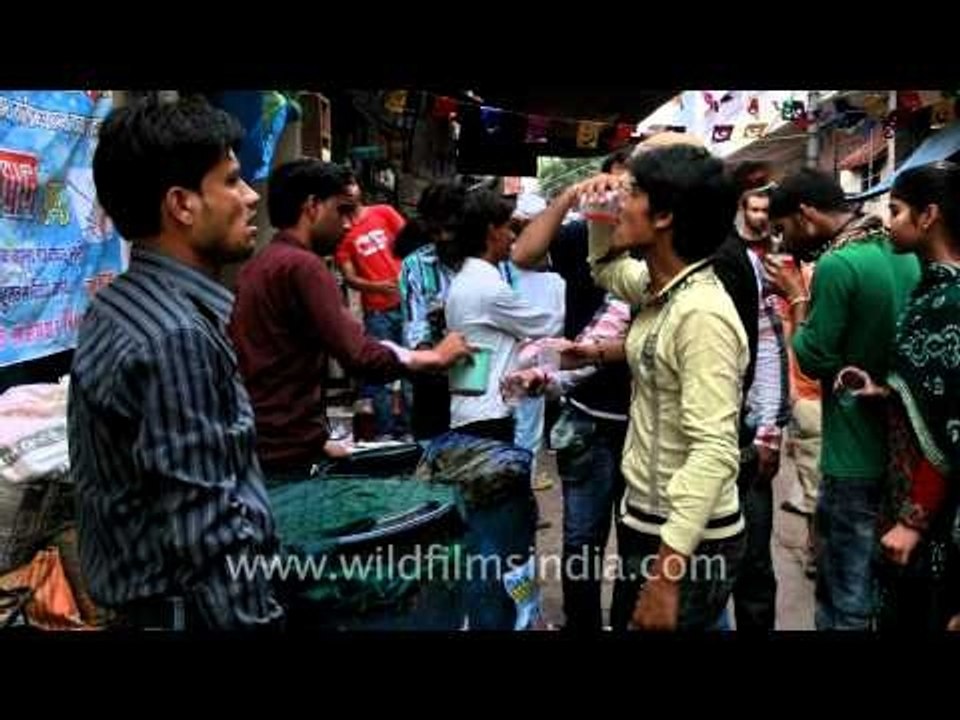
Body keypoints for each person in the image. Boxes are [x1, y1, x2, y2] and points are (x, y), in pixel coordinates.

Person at [69, 96, 283, 630]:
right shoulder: (175, 337)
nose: (251, 196)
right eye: (232, 181)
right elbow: (209, 533)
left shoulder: (118, 304)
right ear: (182, 205)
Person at [584, 142, 749, 631]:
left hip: (688, 539)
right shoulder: (664, 287)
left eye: (629, 191)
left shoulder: (701, 313)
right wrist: (598, 213)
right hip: (651, 520)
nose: (619, 198)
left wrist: (667, 575)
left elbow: (716, 451)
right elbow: (605, 270)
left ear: (664, 216)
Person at [229, 159, 471, 483]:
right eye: (341, 211)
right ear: (312, 207)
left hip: (266, 445)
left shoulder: (262, 264)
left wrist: (318, 440)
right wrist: (431, 356)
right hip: (284, 456)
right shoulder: (303, 266)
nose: (346, 225)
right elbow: (358, 354)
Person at [763, 168, 920, 630]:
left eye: (784, 228)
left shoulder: (837, 264)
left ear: (806, 215)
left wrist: (795, 297)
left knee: (844, 597)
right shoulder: (903, 253)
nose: (783, 240)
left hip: (852, 453)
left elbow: (812, 357)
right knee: (884, 590)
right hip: (902, 454)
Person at [831, 162, 960, 631]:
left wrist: (914, 520)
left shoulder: (951, 301)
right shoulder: (928, 290)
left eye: (897, 209)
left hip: (934, 517)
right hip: (906, 494)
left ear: (928, 216)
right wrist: (885, 392)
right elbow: (931, 392)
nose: (888, 221)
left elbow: (951, 425)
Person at [334, 183, 409, 439]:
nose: (351, 189)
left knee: (412, 368)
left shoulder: (384, 212)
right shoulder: (342, 235)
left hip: (407, 303)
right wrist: (377, 285)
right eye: (346, 186)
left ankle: (411, 429)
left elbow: (410, 241)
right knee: (380, 374)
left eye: (353, 183)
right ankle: (385, 433)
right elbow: (350, 278)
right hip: (377, 311)